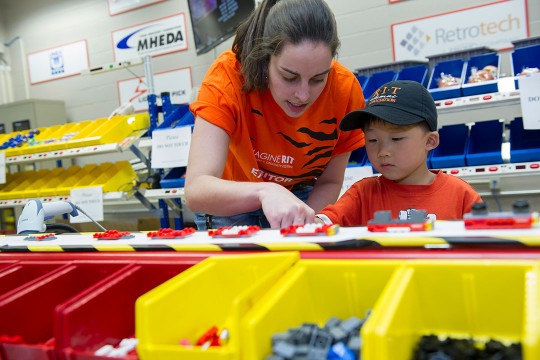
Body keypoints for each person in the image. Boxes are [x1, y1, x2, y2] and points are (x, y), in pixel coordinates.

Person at [185, 0, 366, 229]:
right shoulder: (227, 76)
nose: (303, 94)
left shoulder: (345, 90)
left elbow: (330, 181)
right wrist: (266, 191)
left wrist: (308, 225)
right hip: (231, 199)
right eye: (289, 77)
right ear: (264, 60)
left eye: (319, 79)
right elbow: (196, 189)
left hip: (299, 199)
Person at [316, 80, 482, 226]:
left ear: (430, 141)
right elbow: (321, 224)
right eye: (372, 140)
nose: (383, 152)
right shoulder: (362, 194)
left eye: (396, 139)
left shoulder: (460, 195)